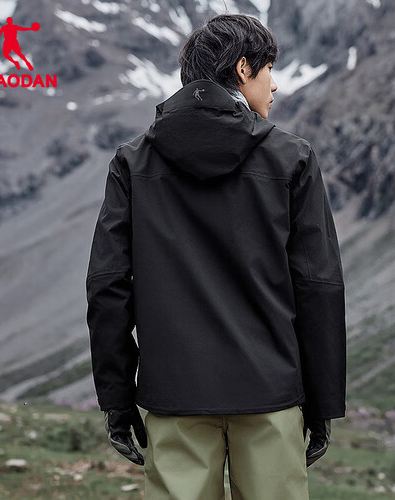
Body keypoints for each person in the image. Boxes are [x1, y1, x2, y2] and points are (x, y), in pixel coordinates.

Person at [86, 13, 346, 500]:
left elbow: (108, 285)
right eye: (269, 69)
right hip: (271, 394)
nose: (274, 85)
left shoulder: (133, 161)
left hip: (174, 396)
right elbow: (318, 285)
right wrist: (323, 403)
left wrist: (117, 399)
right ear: (244, 68)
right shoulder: (292, 157)